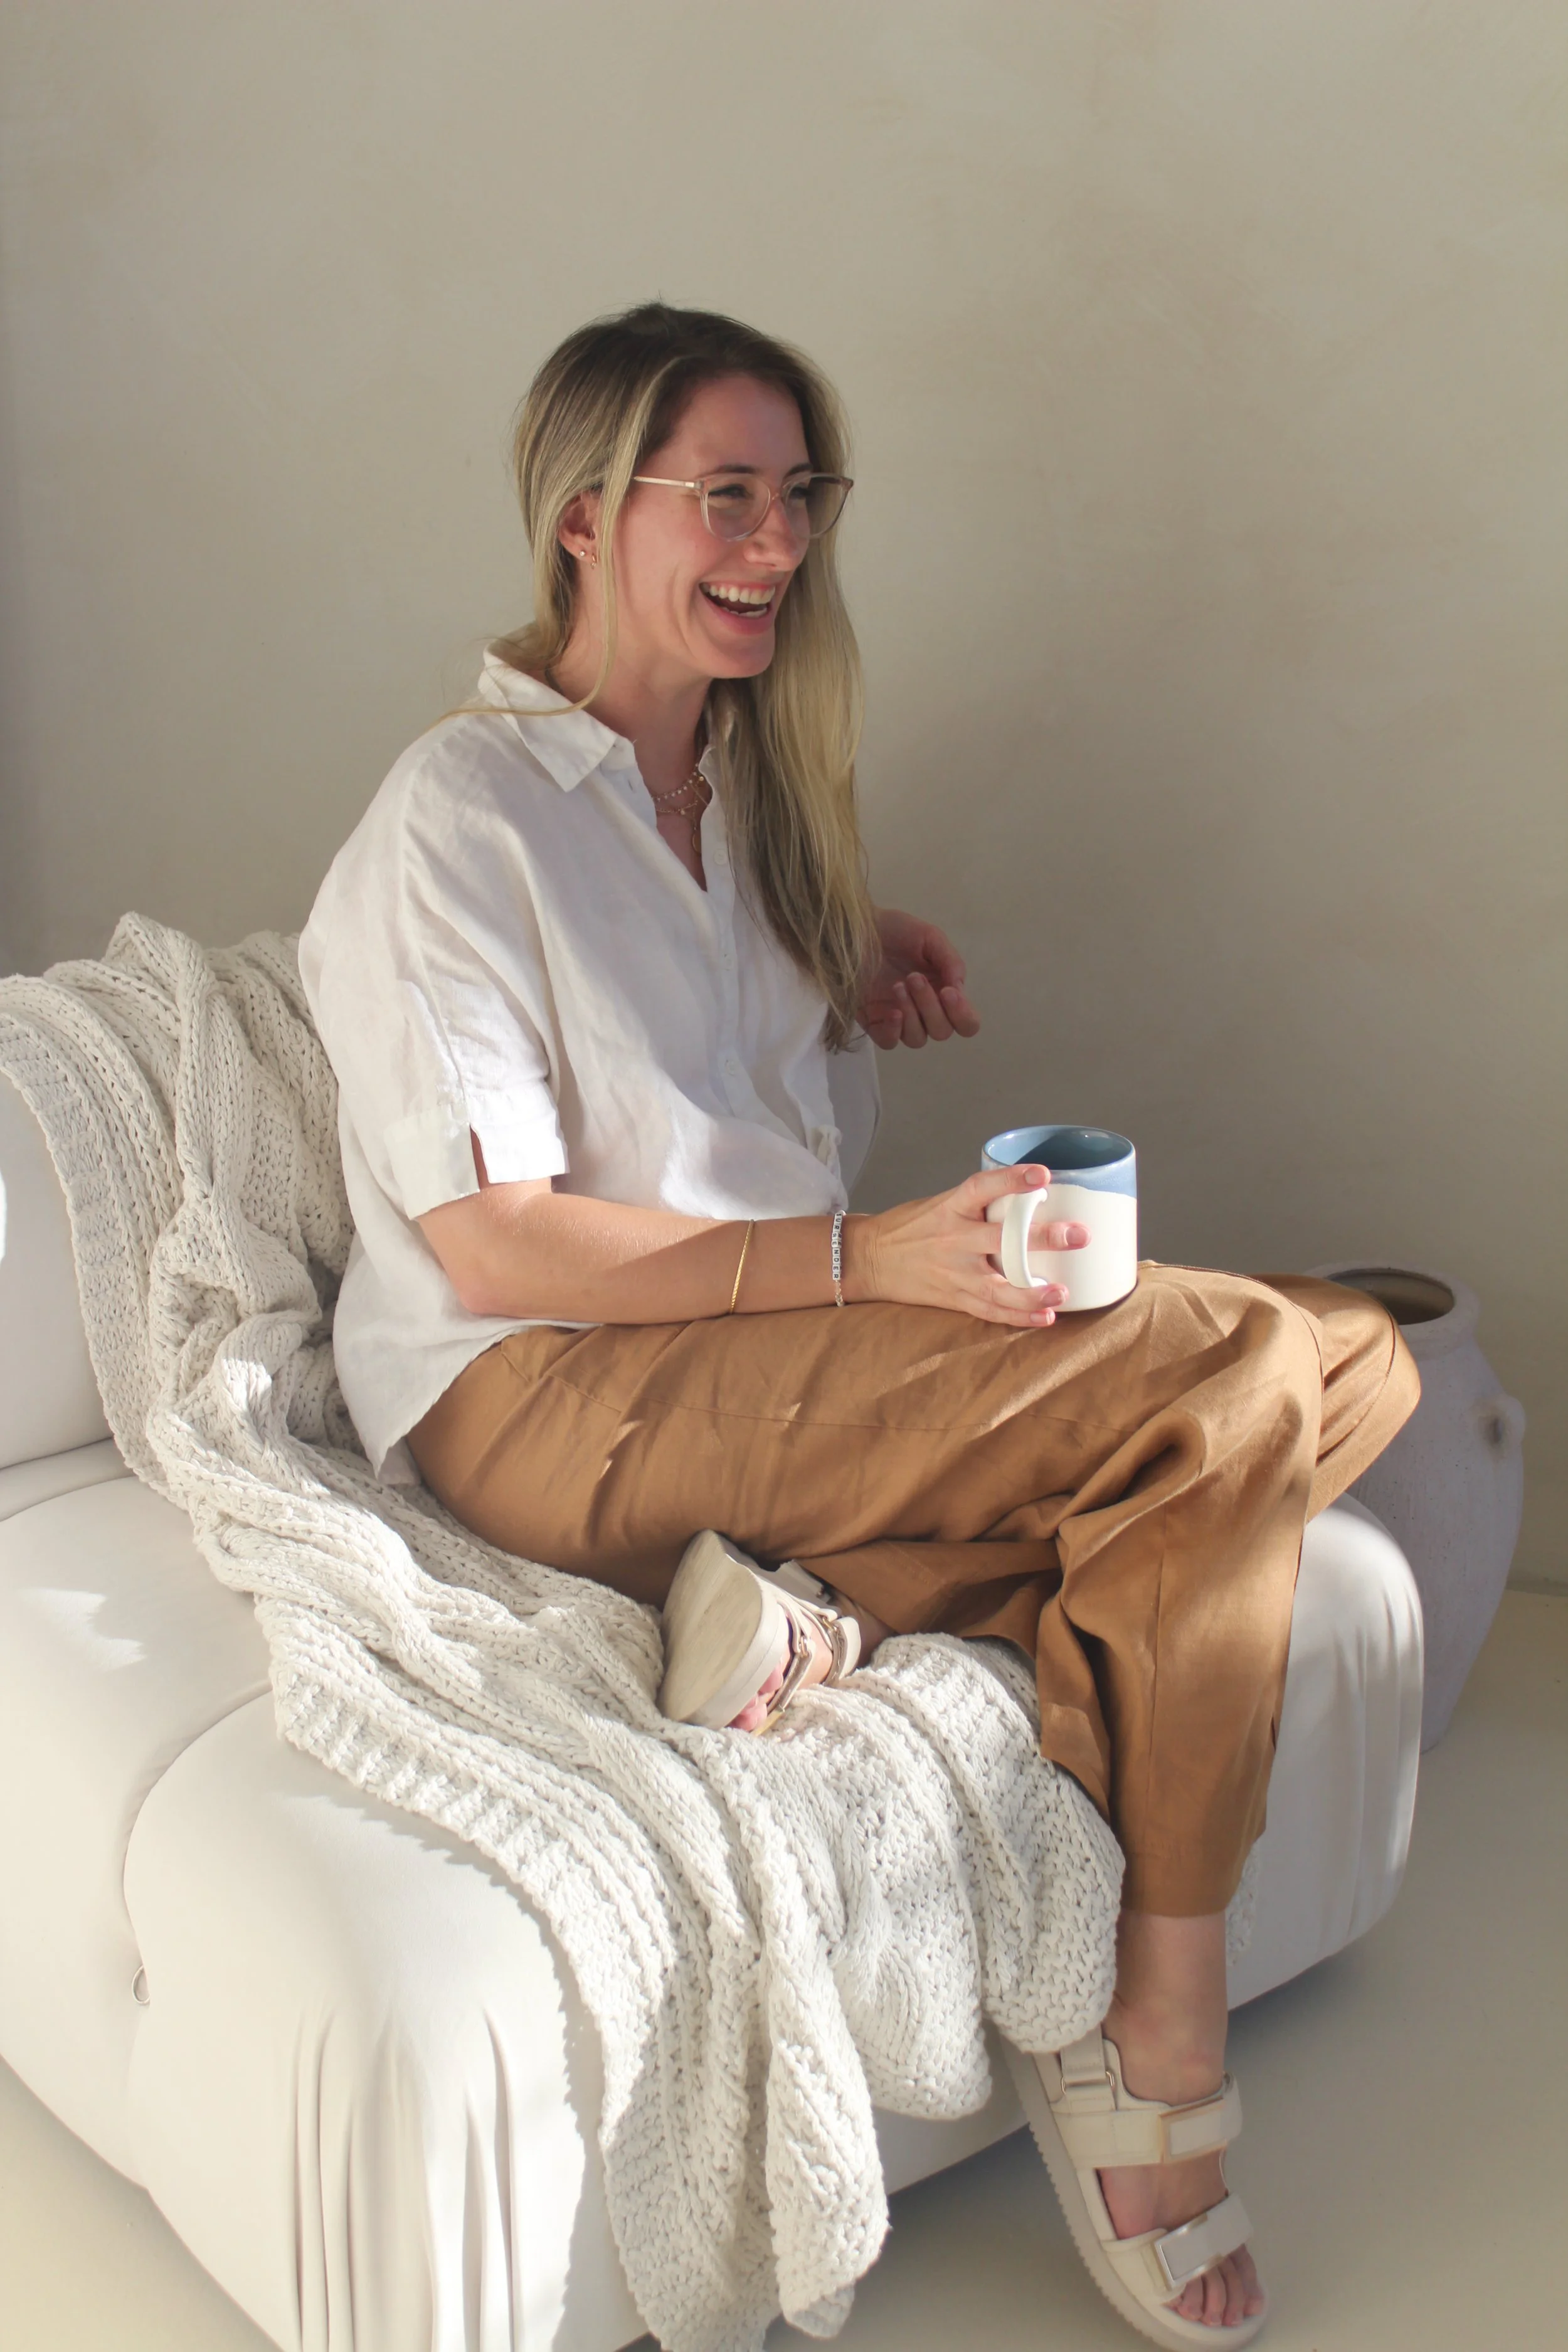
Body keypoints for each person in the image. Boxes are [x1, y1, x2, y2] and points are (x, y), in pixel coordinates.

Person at [299, 302, 1417, 2346]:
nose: (778, 539)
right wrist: (873, 1263)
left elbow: (701, 1079)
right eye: (721, 493)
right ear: (578, 514)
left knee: (1363, 1352)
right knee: (1250, 1365)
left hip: (764, 1386)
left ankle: (810, 1585)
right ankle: (1149, 2031)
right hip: (551, 1396)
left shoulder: (736, 787)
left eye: (799, 494)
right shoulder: (453, 818)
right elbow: (495, 1241)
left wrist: (838, 942)